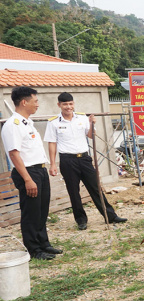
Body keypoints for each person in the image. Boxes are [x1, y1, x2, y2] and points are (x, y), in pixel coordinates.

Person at [44, 92, 127, 230]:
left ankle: (110, 215)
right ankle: (81, 220)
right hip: (67, 160)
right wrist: (53, 164)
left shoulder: (82, 118)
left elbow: (90, 135)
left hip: (84, 159)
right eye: (65, 104)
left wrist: (92, 124)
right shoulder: (53, 123)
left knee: (95, 188)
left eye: (70, 104)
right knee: (73, 191)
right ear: (59, 105)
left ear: (73, 104)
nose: (68, 107)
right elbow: (52, 143)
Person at [1, 87, 61, 260]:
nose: (38, 105)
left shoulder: (28, 123)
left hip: (39, 170)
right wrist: (27, 179)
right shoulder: (13, 125)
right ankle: (34, 249)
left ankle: (44, 244)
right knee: (31, 212)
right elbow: (14, 153)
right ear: (24, 102)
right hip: (28, 172)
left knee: (42, 210)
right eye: (35, 101)